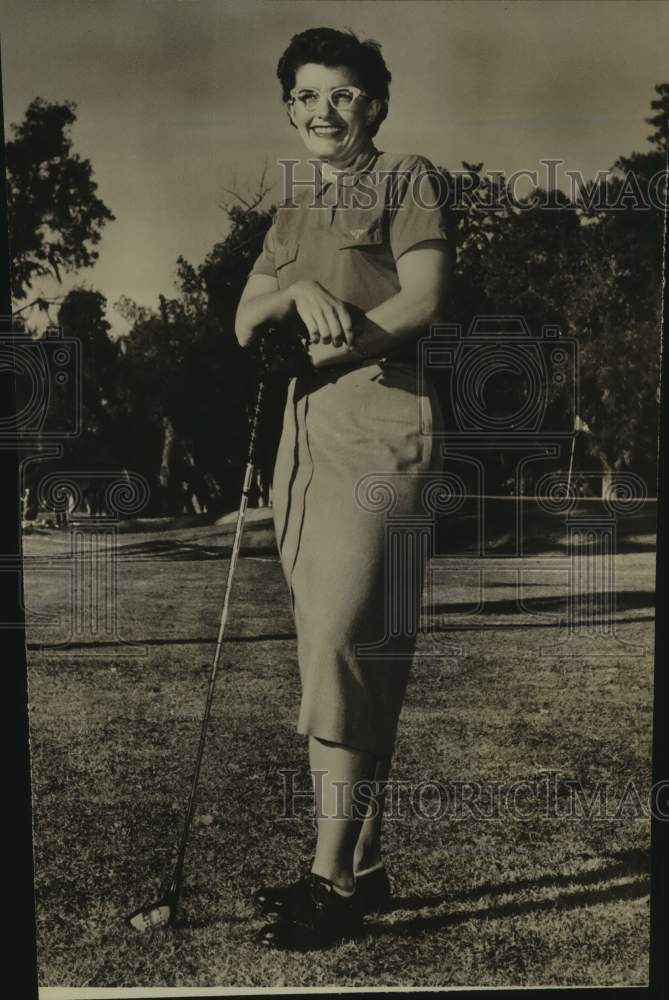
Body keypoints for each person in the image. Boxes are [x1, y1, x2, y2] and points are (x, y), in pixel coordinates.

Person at [235, 26, 453, 949]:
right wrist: (291, 299)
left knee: (344, 640)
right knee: (350, 650)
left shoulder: (406, 176)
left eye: (345, 94)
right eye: (307, 95)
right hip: (303, 434)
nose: (324, 112)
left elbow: (424, 298)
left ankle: (326, 880)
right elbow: (245, 323)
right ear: (289, 106)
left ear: (376, 105)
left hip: (384, 416)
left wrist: (342, 333)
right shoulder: (288, 213)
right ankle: (361, 866)